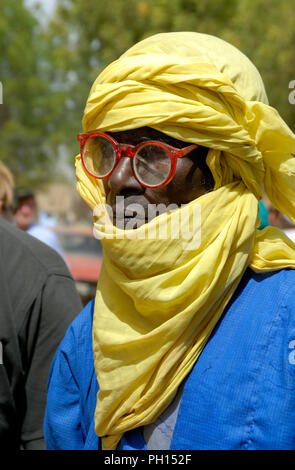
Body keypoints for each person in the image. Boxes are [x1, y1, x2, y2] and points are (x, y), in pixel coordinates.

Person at [44, 32, 295, 450]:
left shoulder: (287, 318)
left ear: (223, 168)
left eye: (153, 155)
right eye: (108, 152)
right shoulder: (86, 336)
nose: (120, 181)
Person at [0, 163, 83, 449]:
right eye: (17, 204)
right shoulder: (39, 268)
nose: (22, 210)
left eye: (27, 204)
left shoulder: (38, 262)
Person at [14, 187, 65, 259]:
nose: (25, 211)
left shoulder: (45, 237)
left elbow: (61, 266)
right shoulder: (5, 234)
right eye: (20, 205)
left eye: (30, 205)